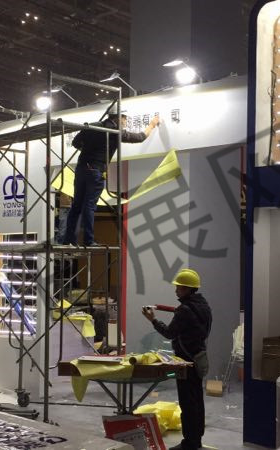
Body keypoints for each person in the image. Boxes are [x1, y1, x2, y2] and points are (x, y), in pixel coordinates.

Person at [62, 106, 160, 246]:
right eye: (125, 119)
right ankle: (88, 240)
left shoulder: (92, 126)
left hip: (81, 169)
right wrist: (152, 125)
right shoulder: (114, 132)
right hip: (95, 170)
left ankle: (68, 240)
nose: (125, 122)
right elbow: (140, 137)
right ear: (119, 118)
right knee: (89, 205)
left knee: (77, 205)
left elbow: (75, 142)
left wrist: (90, 151)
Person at [142, 268, 211, 450]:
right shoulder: (204, 306)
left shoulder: (185, 310)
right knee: (197, 400)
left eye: (179, 287)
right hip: (199, 357)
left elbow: (169, 333)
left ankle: (189, 443)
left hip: (185, 362)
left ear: (188, 289)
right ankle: (196, 440)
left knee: (188, 403)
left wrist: (153, 319)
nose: (176, 290)